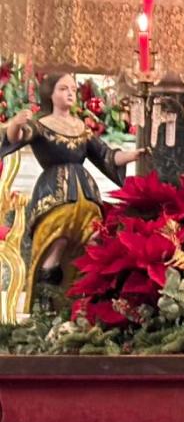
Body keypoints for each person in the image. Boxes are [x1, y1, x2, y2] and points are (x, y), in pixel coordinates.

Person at [0, 73, 145, 311]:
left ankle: (82, 304)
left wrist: (131, 155)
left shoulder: (81, 127)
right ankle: (46, 306)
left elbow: (107, 156)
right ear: (51, 94)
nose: (70, 93)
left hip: (86, 197)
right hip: (53, 196)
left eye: (73, 90)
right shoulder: (41, 125)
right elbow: (16, 137)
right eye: (63, 88)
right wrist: (15, 123)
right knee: (55, 243)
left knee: (91, 246)